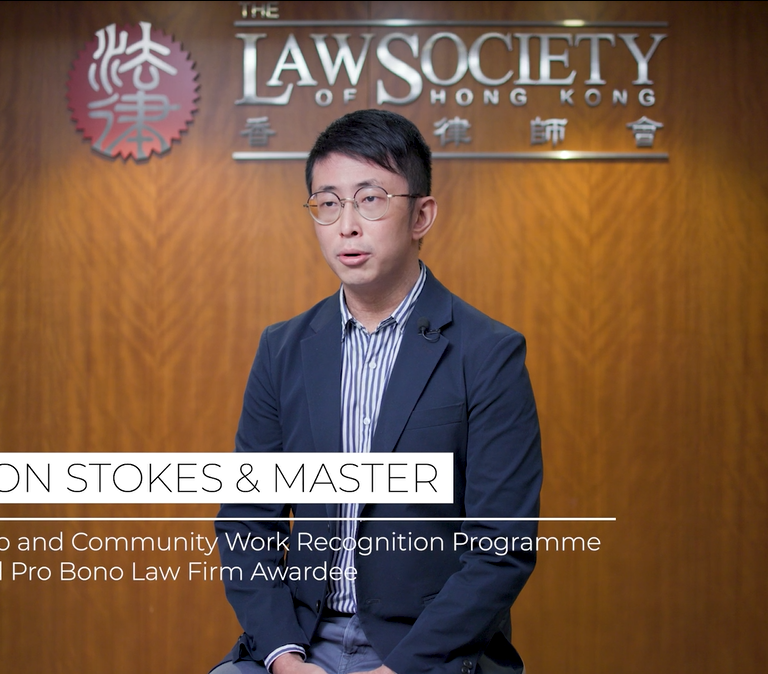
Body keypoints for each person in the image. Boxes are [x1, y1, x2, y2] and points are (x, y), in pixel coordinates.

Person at [211, 109, 543, 674]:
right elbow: (246, 520)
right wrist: (284, 656)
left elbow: (501, 547)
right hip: (300, 641)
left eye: (370, 199)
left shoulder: (489, 353)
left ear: (421, 215)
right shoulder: (282, 348)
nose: (346, 225)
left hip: (427, 653)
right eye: (328, 203)